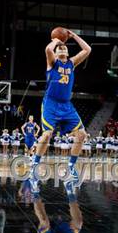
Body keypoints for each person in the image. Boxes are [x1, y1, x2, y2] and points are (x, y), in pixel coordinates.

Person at [30, 29, 91, 194]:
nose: (63, 49)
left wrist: (74, 36)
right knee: (47, 134)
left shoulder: (72, 63)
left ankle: (71, 167)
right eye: (60, 48)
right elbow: (48, 50)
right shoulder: (52, 62)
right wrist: (56, 40)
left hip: (66, 105)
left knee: (82, 135)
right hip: (50, 103)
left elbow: (87, 50)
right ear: (56, 53)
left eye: (65, 47)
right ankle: (34, 165)